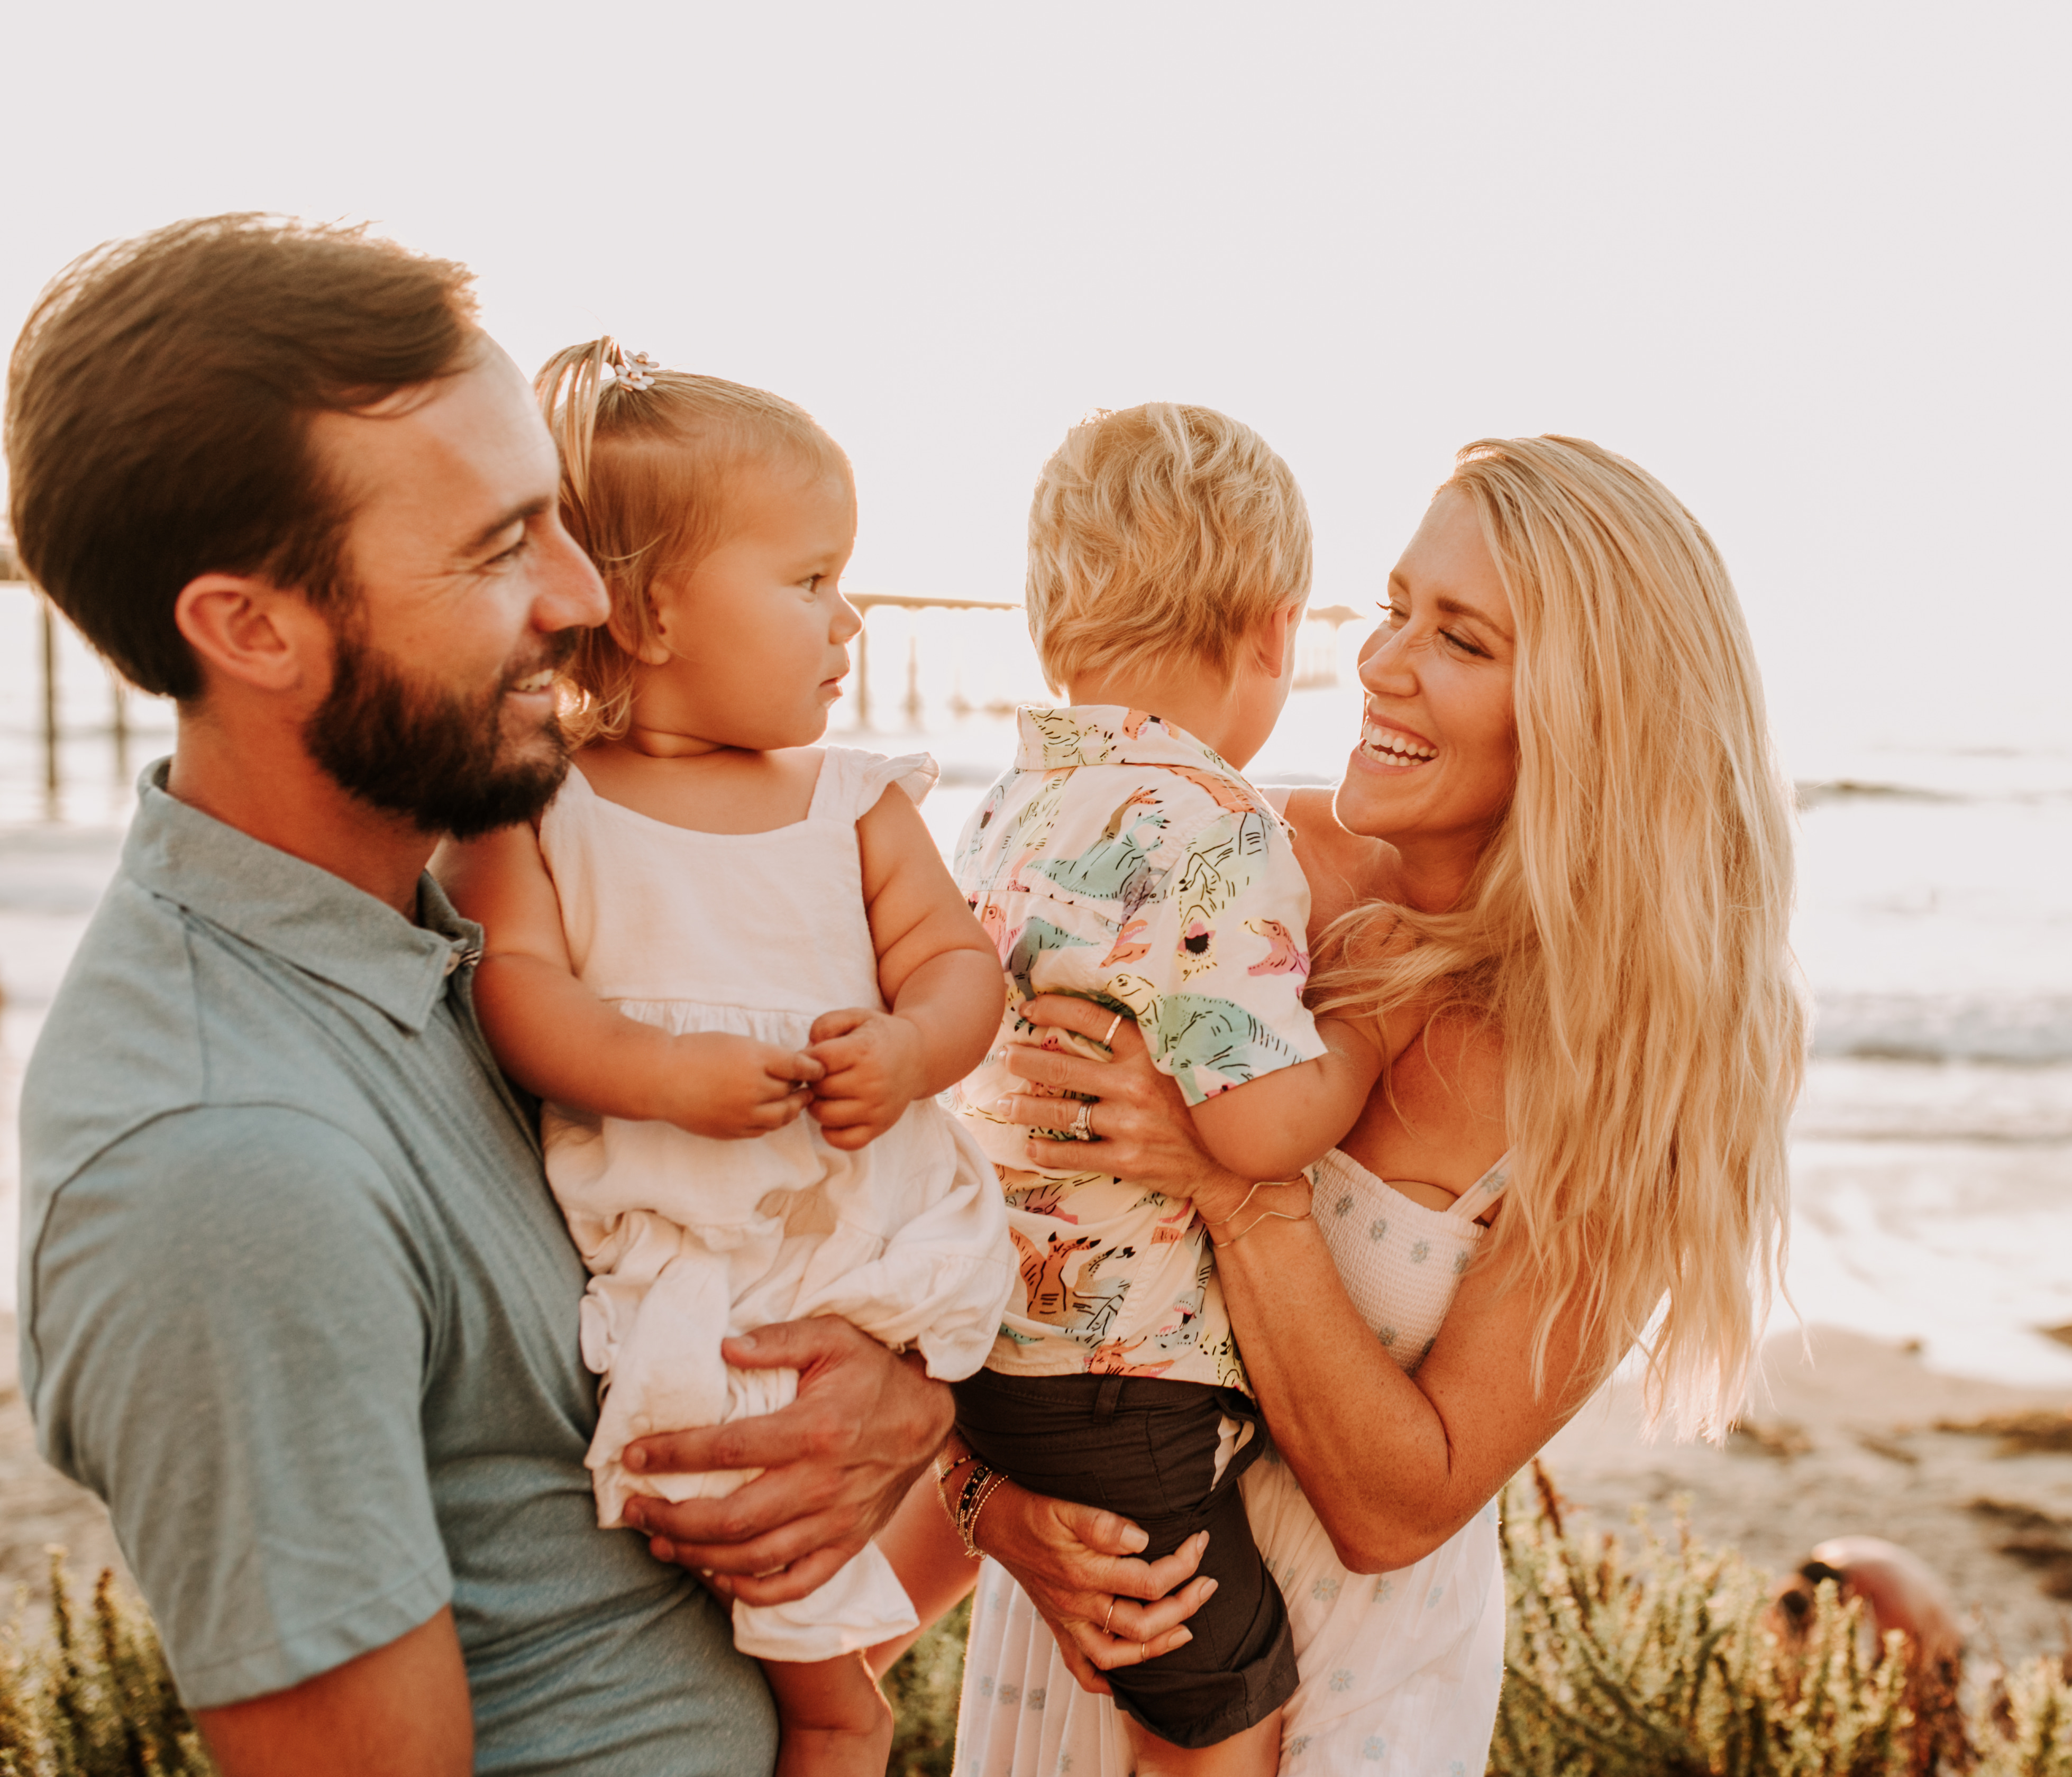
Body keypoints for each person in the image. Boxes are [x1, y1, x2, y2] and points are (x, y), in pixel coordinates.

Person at [6, 214, 947, 1776]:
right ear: (250, 627)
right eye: (501, 545)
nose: (586, 596)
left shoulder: (481, 913)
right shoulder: (221, 1159)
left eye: (558, 521)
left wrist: (907, 1395)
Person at [884, 435, 1808, 1775]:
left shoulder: (1626, 1077)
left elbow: (1400, 1507)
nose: (1377, 663)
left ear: (1592, 716)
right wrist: (994, 1510)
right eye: (1392, 609)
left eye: (1462, 640)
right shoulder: (1232, 866)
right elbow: (1006, 1240)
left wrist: (1233, 1186)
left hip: (1347, 1693)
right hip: (1095, 1625)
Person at [437, 340, 1013, 1775]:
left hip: (872, 1247)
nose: (853, 620)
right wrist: (654, 1070)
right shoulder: (541, 809)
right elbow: (520, 993)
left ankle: (840, 1706)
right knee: (746, 1545)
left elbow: (961, 969)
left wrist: (909, 1046)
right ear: (648, 611)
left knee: (849, 1592)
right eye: (812, 581)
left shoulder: (851, 804)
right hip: (700, 1269)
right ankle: (824, 1707)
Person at [904, 404, 1400, 1773]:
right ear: (1272, 633)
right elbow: (1249, 1123)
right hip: (1127, 1388)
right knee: (1219, 1690)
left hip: (992, 1357)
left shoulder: (1002, 807)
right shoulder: (1222, 831)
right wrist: (1355, 1039)